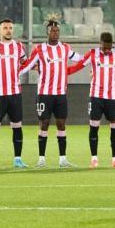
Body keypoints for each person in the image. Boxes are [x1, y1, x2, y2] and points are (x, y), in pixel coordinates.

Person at [0, 18, 33, 169]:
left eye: (10, 27)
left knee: (17, 126)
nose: (8, 30)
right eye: (5, 28)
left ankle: (18, 159)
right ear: (0, 30)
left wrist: (40, 67)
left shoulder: (18, 46)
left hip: (15, 93)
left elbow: (25, 62)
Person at [28, 18, 83, 168]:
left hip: (60, 94)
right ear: (47, 32)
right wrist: (15, 75)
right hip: (44, 94)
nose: (55, 33)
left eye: (57, 30)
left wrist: (92, 59)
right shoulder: (39, 49)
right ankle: (41, 158)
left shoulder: (65, 48)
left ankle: (63, 159)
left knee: (61, 124)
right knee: (44, 124)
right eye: (52, 30)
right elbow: (28, 65)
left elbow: (79, 58)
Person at [68, 31, 115, 169]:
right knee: (94, 127)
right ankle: (94, 159)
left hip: (112, 97)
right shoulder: (92, 54)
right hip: (96, 97)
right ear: (100, 44)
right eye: (105, 47)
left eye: (109, 47)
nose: (107, 50)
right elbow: (78, 66)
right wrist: (61, 71)